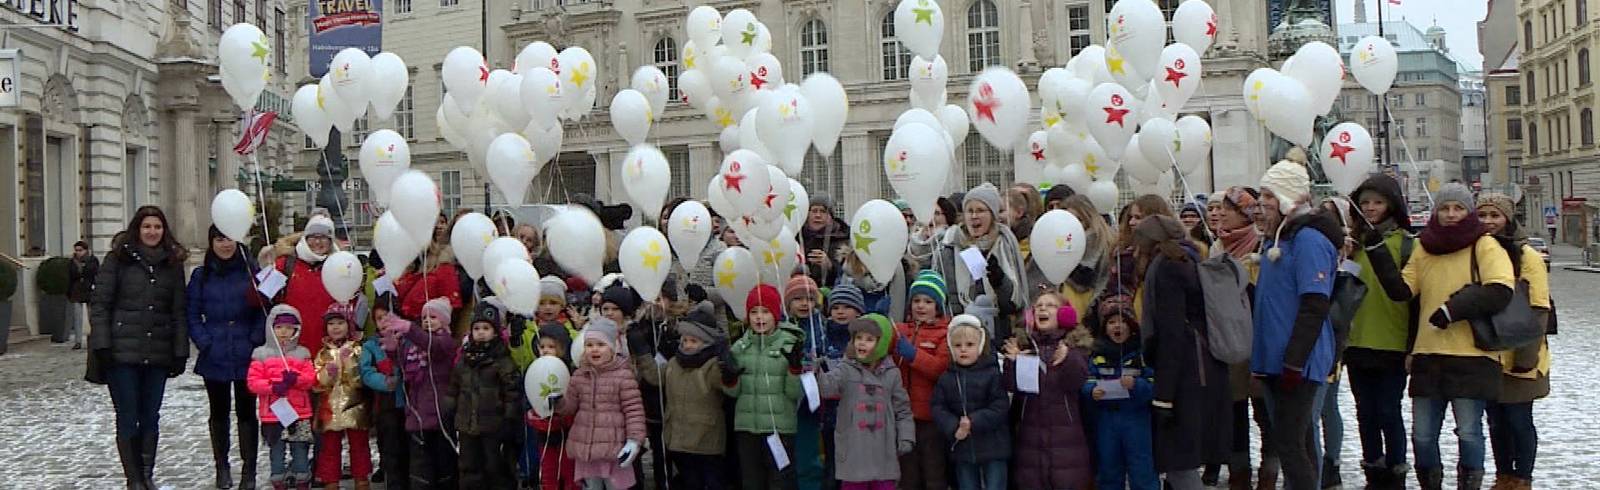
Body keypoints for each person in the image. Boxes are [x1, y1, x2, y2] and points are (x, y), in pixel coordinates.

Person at [1363, 184, 1515, 490]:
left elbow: (1500, 289)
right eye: (1444, 208)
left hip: (1472, 355)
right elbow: (1402, 291)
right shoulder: (1424, 246)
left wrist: (1452, 309)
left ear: (1468, 212)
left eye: (1458, 208)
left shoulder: (1484, 246)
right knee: (1422, 435)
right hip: (1428, 354)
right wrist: (1376, 252)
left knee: (1469, 431)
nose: (1450, 214)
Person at [1251, 160, 1340, 490]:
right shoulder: (1279, 239)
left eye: (1267, 197)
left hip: (1298, 360)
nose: (1261, 205)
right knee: (1298, 440)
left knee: (1290, 443)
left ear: (1287, 198)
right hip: (1278, 358)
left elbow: (1314, 304)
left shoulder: (1309, 240)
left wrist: (1293, 360)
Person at [88, 205, 190, 490]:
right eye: (147, 226)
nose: (152, 232)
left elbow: (178, 310)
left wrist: (180, 349)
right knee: (128, 415)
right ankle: (133, 478)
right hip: (122, 353)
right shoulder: (118, 259)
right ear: (137, 228)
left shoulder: (172, 262)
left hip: (157, 351)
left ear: (164, 230)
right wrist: (102, 344)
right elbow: (101, 305)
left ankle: (146, 472)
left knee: (151, 416)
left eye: (157, 227)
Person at [1135, 215, 1232, 490]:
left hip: (1188, 376)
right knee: (1183, 463)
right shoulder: (1191, 260)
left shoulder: (1166, 268)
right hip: (1205, 368)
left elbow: (1171, 333)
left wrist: (1164, 396)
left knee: (1180, 463)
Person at [1344, 175, 1415, 489]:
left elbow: (1415, 300)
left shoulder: (1407, 243)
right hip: (1357, 341)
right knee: (1365, 414)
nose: (1371, 208)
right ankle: (1373, 469)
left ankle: (1396, 469)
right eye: (1365, 203)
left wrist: (1413, 346)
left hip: (1392, 341)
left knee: (1389, 411)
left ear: (1391, 205)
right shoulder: (1352, 244)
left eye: (1378, 202)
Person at [1476, 193, 1552, 490]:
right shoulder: (1475, 252)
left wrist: (1525, 358)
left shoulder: (1526, 255)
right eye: (1482, 215)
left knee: (1519, 421)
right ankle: (1503, 474)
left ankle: (1523, 478)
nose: (1488, 222)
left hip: (1520, 352)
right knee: (1495, 422)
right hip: (1489, 354)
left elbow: (1539, 307)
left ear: (1508, 219)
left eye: (1495, 216)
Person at [187, 225, 267, 489]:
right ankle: (222, 466)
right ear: (211, 243)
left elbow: (262, 309)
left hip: (246, 351)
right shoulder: (201, 275)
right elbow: (192, 313)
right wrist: (204, 341)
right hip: (216, 351)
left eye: (230, 238)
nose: (225, 244)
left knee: (246, 412)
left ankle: (249, 470)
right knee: (218, 412)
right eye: (219, 239)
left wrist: (255, 337)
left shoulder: (250, 271)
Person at [1206, 186, 1270, 490]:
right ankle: (1239, 474)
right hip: (1227, 341)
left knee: (1264, 412)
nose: (1220, 214)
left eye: (1227, 209)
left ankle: (1269, 472)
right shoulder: (1217, 247)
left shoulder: (1260, 244)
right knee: (1233, 414)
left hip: (1257, 341)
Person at [1002, 292, 1092, 490]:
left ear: (1064, 315)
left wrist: (1069, 358)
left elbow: (1076, 380)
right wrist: (1013, 363)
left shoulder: (1074, 348)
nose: (1042, 308)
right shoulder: (1023, 347)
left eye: (1050, 305)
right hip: (1030, 444)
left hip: (1066, 445)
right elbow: (1011, 386)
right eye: (1038, 305)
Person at [816, 314, 915, 490]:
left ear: (882, 343)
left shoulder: (892, 373)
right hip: (854, 450)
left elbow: (903, 409)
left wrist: (906, 436)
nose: (862, 343)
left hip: (883, 451)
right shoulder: (846, 369)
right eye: (858, 338)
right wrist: (816, 372)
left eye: (869, 339)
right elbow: (827, 387)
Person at [636, 307, 731, 490]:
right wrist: (643, 353)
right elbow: (655, 376)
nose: (687, 345)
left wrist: (728, 370)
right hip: (678, 439)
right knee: (688, 482)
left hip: (706, 441)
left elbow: (727, 387)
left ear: (706, 342)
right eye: (685, 340)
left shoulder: (712, 365)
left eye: (693, 341)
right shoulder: (674, 363)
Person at [724, 285, 804, 490]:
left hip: (779, 428)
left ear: (775, 314)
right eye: (754, 312)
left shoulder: (790, 344)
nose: (759, 318)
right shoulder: (739, 347)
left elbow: (795, 393)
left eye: (765, 311)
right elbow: (732, 393)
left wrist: (795, 370)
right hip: (747, 429)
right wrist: (729, 378)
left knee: (780, 482)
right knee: (752, 482)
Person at [556, 317, 648, 490]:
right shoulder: (579, 375)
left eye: (600, 344)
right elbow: (570, 407)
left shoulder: (623, 376)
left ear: (612, 348)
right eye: (589, 345)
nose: (594, 349)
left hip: (613, 450)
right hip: (587, 450)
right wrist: (558, 402)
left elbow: (634, 411)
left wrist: (634, 441)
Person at [931, 183, 1027, 342]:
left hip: (999, 331)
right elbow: (947, 294)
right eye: (970, 211)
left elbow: (1014, 303)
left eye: (980, 210)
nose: (974, 216)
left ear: (993, 215)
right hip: (959, 330)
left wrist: (999, 281)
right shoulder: (950, 245)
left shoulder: (1005, 243)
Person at [1083, 299, 1157, 490]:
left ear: (1131, 326)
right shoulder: (1097, 355)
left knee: (1142, 471)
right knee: (1109, 470)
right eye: (1111, 322)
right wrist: (1092, 392)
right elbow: (1087, 381)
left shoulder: (1141, 354)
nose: (1117, 326)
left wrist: (1136, 385)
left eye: (1122, 321)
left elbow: (1153, 385)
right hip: (1107, 421)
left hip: (1136, 420)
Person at [931, 315, 1011, 490]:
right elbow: (938, 407)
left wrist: (973, 421)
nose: (963, 350)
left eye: (969, 345)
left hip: (994, 447)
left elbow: (1000, 405)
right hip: (963, 448)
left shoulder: (992, 374)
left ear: (981, 346)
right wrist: (953, 426)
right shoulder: (946, 378)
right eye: (958, 346)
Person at [447, 302, 521, 489]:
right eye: (477, 328)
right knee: (469, 466)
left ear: (495, 332)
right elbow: (454, 387)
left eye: (486, 328)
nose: (481, 332)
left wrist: (509, 418)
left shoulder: (502, 360)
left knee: (495, 466)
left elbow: (511, 391)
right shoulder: (464, 359)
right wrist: (448, 409)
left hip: (493, 425)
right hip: (467, 424)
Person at [247, 305, 318, 490]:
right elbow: (253, 382)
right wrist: (272, 387)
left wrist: (296, 379)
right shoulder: (261, 354)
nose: (284, 332)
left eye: (288, 328)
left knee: (300, 449)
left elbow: (311, 378)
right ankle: (278, 479)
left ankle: (302, 477)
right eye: (279, 327)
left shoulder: (302, 353)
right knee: (276, 451)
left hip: (299, 413)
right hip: (273, 413)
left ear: (296, 329)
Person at [401, 298, 460, 489]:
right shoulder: (414, 345)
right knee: (420, 470)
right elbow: (405, 370)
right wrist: (393, 350)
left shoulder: (446, 342)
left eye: (433, 317)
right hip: (418, 414)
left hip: (440, 415)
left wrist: (409, 328)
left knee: (443, 466)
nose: (427, 321)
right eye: (424, 317)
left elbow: (431, 345)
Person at [312, 303, 372, 490]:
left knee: (359, 445)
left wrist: (349, 363)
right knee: (329, 447)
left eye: (340, 323)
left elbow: (360, 380)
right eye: (331, 324)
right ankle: (331, 480)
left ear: (349, 325)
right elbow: (316, 383)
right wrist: (327, 374)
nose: (336, 327)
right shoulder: (322, 353)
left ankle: (361, 478)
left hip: (354, 405)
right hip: (329, 407)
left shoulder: (358, 349)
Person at [268, 209, 339, 356]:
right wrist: (266, 269)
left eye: (324, 237)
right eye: (313, 237)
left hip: (330, 353)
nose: (318, 242)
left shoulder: (339, 266)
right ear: (305, 239)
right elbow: (258, 296)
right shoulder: (286, 265)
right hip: (292, 350)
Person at [358, 295, 410, 490]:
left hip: (406, 403)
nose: (384, 323)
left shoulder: (407, 341)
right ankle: (393, 481)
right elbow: (366, 371)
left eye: (387, 317)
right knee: (389, 446)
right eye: (379, 319)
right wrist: (384, 381)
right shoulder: (371, 345)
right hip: (385, 404)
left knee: (407, 445)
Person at [526, 322, 579, 490]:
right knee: (548, 471)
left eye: (551, 346)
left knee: (569, 471)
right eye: (542, 346)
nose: (545, 350)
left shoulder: (571, 372)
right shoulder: (535, 369)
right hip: (544, 433)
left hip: (568, 434)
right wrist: (534, 415)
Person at [394, 215, 464, 327]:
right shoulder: (411, 263)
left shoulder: (444, 263)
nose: (439, 226)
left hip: (430, 328)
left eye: (442, 222)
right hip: (406, 325)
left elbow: (451, 303)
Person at [1059, 196, 1114, 315]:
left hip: (1085, 304)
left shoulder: (1091, 241)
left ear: (1088, 218)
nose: (1073, 225)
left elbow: (1082, 280)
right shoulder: (1106, 239)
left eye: (1078, 219)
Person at [802, 194, 851, 287]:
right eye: (814, 211)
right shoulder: (798, 236)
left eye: (823, 211)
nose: (818, 215)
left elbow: (850, 274)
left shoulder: (844, 240)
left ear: (831, 217)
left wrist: (830, 266)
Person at [68, 240, 99, 349]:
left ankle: (94, 338)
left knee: (92, 316)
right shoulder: (72, 262)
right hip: (77, 291)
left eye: (80, 250)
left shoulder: (93, 260)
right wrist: (69, 292)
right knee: (77, 317)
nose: (78, 252)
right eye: (76, 250)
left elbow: (96, 274)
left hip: (90, 290)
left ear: (86, 250)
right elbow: (70, 277)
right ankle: (78, 341)